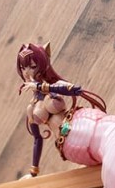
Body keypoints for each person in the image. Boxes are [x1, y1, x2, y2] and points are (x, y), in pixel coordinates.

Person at [16, 42, 106, 177]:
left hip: (81, 125)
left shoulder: (53, 86)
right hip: (70, 146)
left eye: (33, 67)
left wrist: (42, 87)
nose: (27, 72)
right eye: (23, 68)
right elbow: (37, 139)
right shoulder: (31, 107)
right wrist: (34, 171)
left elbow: (75, 89)